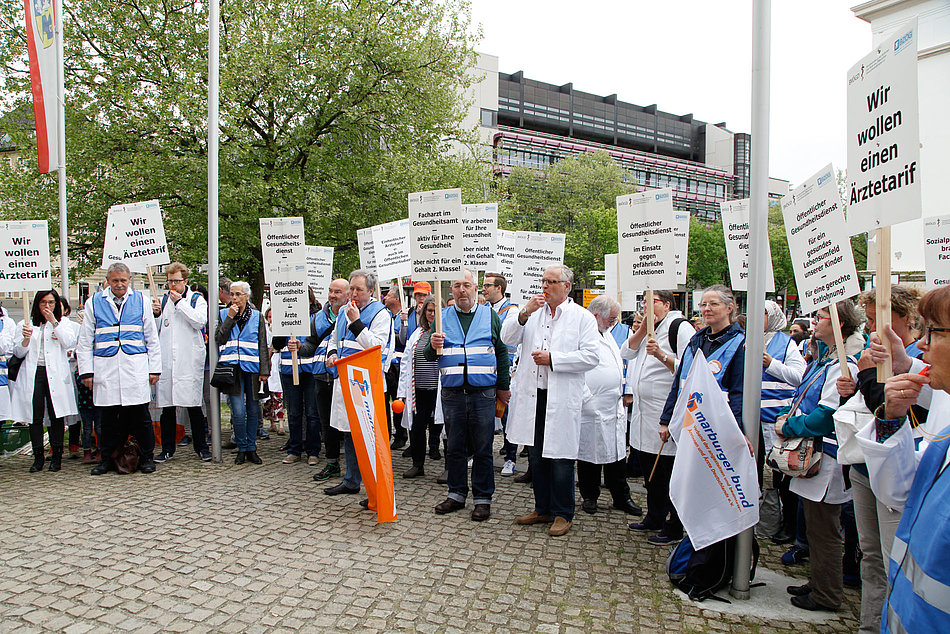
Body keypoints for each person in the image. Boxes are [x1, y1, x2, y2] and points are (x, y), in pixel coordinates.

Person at [834, 285, 924, 632]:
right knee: (870, 556)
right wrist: (853, 385)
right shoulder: (876, 355)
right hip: (864, 467)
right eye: (869, 321)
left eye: (878, 320)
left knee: (892, 560)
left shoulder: (920, 359)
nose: (871, 330)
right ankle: (869, 625)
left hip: (896, 476)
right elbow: (866, 406)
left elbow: (884, 406)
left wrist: (869, 374)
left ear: (903, 319)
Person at [864, 285, 949, 632]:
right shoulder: (944, 408)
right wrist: (890, 421)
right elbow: (900, 494)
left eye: (934, 331)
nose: (923, 344)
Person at [776, 300, 861, 612]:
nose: (814, 321)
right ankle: (820, 582)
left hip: (827, 458)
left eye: (821, 316)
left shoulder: (844, 364)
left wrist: (790, 424)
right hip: (819, 457)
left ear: (839, 324)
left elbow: (826, 416)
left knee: (824, 530)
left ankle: (827, 595)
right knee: (815, 527)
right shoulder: (829, 358)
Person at [503, 265, 598, 536]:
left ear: (566, 286)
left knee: (561, 458)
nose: (545, 286)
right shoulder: (531, 313)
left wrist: (554, 359)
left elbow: (591, 356)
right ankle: (542, 508)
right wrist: (523, 313)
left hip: (562, 396)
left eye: (552, 281)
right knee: (537, 456)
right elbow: (506, 339)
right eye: (543, 280)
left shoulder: (582, 317)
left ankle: (563, 513)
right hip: (534, 395)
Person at [427, 269, 511, 522]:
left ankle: (483, 499)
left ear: (476, 289)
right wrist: (433, 346)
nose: (461, 290)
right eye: (456, 286)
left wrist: (503, 387)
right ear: (450, 290)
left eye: (466, 285)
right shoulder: (441, 318)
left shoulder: (490, 316)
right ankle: (456, 494)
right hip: (453, 393)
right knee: (454, 446)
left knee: (483, 448)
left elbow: (502, 353)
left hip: (482, 393)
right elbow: (430, 357)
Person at [623, 290, 696, 544]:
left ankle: (674, 525)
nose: (646, 306)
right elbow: (627, 353)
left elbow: (692, 368)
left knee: (667, 471)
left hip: (665, 411)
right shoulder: (648, 327)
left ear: (666, 304)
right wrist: (642, 331)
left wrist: (662, 356)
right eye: (643, 301)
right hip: (643, 413)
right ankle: (654, 516)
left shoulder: (679, 327)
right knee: (649, 470)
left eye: (651, 301)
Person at [77, 263, 162, 475]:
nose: (119, 284)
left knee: (140, 417)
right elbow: (85, 339)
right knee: (106, 420)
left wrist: (155, 369)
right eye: (115, 280)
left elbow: (152, 337)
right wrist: (86, 371)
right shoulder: (94, 302)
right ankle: (107, 459)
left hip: (134, 368)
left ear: (129, 279)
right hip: (106, 368)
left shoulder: (141, 300)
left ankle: (146, 458)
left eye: (123, 280)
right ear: (108, 280)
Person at [324, 270, 393, 498]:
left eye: (358, 289)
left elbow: (377, 348)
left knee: (368, 436)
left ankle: (375, 490)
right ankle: (351, 480)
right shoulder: (344, 311)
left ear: (371, 291)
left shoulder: (381, 314)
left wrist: (356, 323)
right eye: (351, 288)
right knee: (348, 432)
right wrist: (333, 354)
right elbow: (335, 339)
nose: (353, 293)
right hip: (345, 379)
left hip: (366, 384)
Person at [577, 295, 642, 516]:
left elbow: (622, 360)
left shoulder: (607, 334)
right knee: (589, 455)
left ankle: (621, 496)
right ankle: (590, 496)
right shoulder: (581, 334)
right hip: (592, 406)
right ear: (596, 315)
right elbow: (577, 369)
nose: (613, 323)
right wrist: (587, 399)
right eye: (610, 318)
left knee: (616, 455)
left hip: (613, 407)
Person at [11, 290, 79, 472]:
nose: (47, 306)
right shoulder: (25, 323)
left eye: (51, 302)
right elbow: (18, 352)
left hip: (55, 373)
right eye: (43, 302)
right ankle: (38, 457)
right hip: (34, 373)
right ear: (36, 304)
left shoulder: (62, 323)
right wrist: (25, 339)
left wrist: (54, 323)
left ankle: (56, 456)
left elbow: (69, 342)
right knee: (35, 416)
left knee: (56, 414)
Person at [152, 262, 211, 462]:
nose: (172, 285)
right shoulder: (164, 300)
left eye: (176, 281)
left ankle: (201, 448)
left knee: (193, 406)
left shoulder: (196, 299)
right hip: (169, 361)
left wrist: (180, 303)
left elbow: (199, 321)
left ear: (185, 281)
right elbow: (161, 328)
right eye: (169, 281)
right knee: (168, 408)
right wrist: (157, 314)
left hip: (188, 361)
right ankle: (168, 449)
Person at [759, 300, 806, 544]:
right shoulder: (746, 340)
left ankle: (787, 525)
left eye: (762, 312)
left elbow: (799, 376)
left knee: (782, 476)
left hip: (774, 422)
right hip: (749, 420)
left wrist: (772, 364)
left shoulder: (786, 345)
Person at [214, 281, 269, 465]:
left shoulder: (257, 316)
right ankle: (242, 447)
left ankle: (252, 448)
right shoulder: (223, 313)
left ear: (247, 296)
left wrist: (264, 370)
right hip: (232, 369)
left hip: (252, 369)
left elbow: (262, 343)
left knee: (253, 409)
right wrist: (230, 318)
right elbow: (219, 338)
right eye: (232, 294)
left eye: (238, 294)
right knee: (238, 412)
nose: (235, 298)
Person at [396, 295, 441, 478]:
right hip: (418, 390)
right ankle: (418, 464)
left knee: (443, 427)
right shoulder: (417, 334)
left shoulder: (445, 332)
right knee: (417, 427)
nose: (432, 314)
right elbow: (406, 363)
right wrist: (401, 393)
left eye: (435, 310)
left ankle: (447, 466)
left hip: (439, 390)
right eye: (429, 310)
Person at [272, 301, 322, 466]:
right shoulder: (285, 318)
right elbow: (278, 345)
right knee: (293, 413)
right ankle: (294, 449)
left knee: (312, 413)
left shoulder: (315, 318)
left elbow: (317, 343)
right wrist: (282, 327)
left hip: (310, 370)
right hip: (288, 370)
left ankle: (313, 451)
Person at [482, 272, 520, 476]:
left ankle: (510, 458)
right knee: (485, 417)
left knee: (507, 416)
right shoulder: (482, 310)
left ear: (499, 288)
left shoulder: (511, 311)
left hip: (506, 370)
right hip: (486, 370)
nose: (484, 289)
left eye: (488, 285)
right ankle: (482, 455)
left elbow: (507, 339)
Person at [312, 278, 349, 482]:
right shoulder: (318, 316)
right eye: (330, 291)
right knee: (326, 423)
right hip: (320, 375)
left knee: (345, 423)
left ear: (347, 294)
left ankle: (355, 468)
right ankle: (332, 463)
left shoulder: (352, 314)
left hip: (342, 377)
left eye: (337, 292)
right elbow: (311, 342)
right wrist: (299, 347)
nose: (332, 295)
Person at [383, 285, 408, 450]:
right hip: (386, 365)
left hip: (398, 366)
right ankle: (386, 432)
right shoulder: (386, 317)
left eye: (389, 295)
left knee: (398, 401)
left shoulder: (404, 317)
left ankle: (401, 434)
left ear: (397, 299)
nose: (385, 297)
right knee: (385, 401)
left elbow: (404, 340)